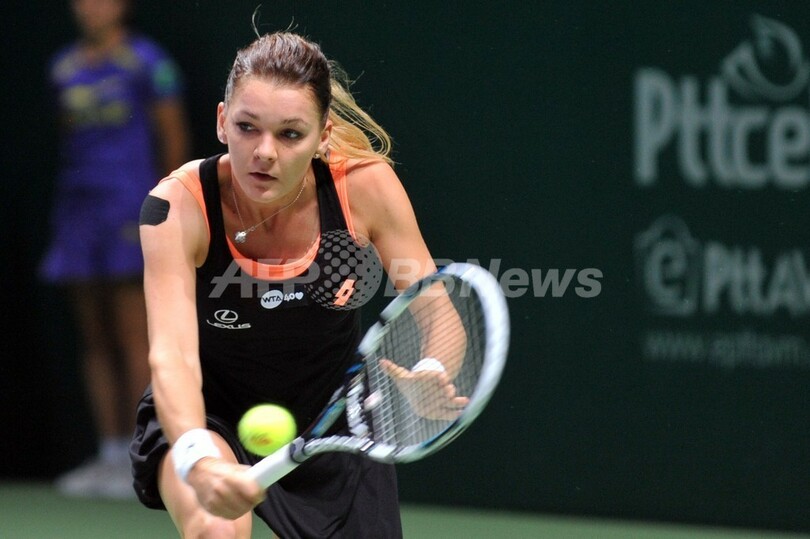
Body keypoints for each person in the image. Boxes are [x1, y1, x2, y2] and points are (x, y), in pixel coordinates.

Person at [130, 29, 454, 538]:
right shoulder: (176, 208)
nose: (264, 152)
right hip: (209, 413)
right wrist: (197, 456)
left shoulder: (363, 189)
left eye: (289, 134)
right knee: (216, 528)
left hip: (333, 423)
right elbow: (172, 355)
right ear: (221, 122)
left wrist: (433, 368)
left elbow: (434, 305)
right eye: (247, 127)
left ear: (323, 135)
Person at [40, 0, 190, 499]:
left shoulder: (149, 62)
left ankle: (143, 454)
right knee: (95, 339)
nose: (92, 8)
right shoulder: (61, 67)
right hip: (79, 215)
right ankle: (107, 452)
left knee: (133, 339)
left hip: (131, 212)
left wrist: (160, 212)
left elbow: (172, 137)